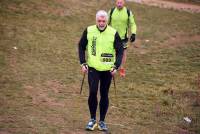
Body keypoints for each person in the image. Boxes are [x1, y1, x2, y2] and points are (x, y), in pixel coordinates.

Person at [78, 10, 123, 131]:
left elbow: (120, 51)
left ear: (107, 21)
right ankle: (92, 120)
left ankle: (102, 121)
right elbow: (81, 46)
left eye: (103, 21)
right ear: (96, 20)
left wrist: (116, 66)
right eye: (99, 21)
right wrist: (83, 63)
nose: (101, 23)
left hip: (107, 70)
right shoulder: (89, 30)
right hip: (93, 68)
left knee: (104, 94)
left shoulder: (113, 33)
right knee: (93, 91)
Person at [108, 0, 137, 77]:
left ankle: (122, 68)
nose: (119, 4)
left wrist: (133, 33)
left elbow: (132, 24)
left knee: (123, 53)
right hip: (112, 36)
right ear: (115, 3)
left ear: (124, 3)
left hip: (123, 38)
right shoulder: (111, 11)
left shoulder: (128, 12)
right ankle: (112, 68)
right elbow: (106, 23)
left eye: (121, 3)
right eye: (118, 2)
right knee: (112, 52)